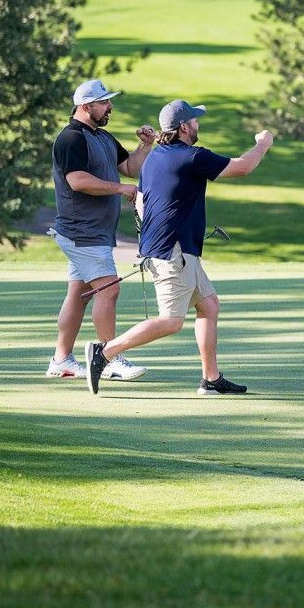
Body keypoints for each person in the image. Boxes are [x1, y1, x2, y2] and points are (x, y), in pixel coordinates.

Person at [84, 100, 274, 396]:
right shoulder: (192, 156)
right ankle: (105, 353)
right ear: (184, 127)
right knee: (171, 322)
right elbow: (243, 167)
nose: (199, 125)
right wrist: (262, 144)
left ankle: (211, 379)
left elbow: (143, 203)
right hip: (172, 251)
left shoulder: (156, 157)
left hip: (173, 248)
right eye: (195, 121)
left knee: (208, 305)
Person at [46, 79, 156, 381]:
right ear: (86, 106)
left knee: (79, 295)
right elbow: (78, 181)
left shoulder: (103, 137)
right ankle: (109, 359)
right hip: (81, 231)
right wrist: (121, 189)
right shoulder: (70, 139)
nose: (110, 107)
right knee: (109, 288)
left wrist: (146, 145)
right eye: (104, 102)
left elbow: (131, 168)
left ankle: (61, 360)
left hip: (93, 232)